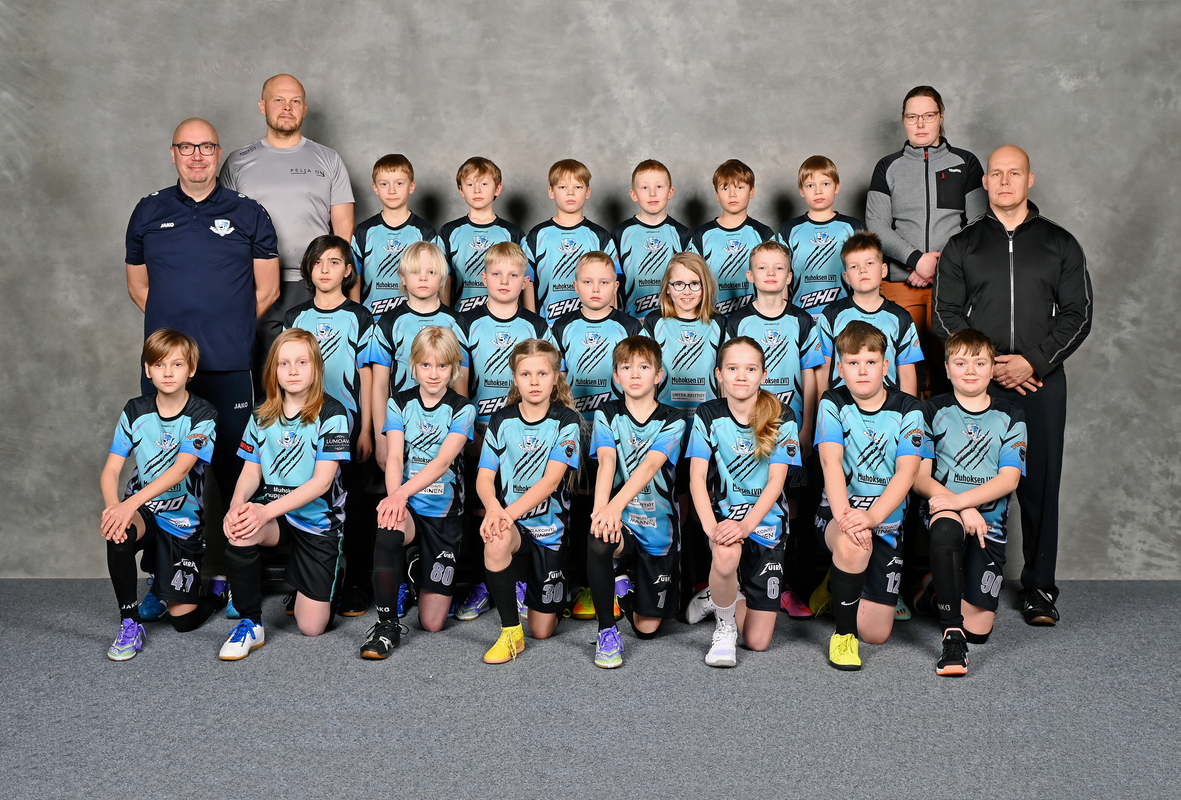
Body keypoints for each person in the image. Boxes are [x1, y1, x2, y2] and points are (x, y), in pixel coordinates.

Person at [933, 144, 1092, 626]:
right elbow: (944, 314)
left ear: (1029, 179)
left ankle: (1040, 588)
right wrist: (987, 365)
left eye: (1014, 173)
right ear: (985, 183)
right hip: (977, 386)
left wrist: (1033, 363)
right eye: (996, 174)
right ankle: (955, 582)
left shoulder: (1060, 243)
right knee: (963, 478)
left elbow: (1078, 314)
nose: (1004, 181)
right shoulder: (963, 245)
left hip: (1040, 384)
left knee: (1039, 485)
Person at [124, 117, 279, 530]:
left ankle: (240, 566)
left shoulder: (248, 213)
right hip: (166, 371)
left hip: (229, 366)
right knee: (162, 476)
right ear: (173, 154)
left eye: (206, 147)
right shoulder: (148, 210)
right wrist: (174, 341)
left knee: (236, 475)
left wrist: (226, 326)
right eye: (187, 147)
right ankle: (166, 568)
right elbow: (139, 288)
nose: (197, 156)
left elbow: (267, 291)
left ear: (218, 153)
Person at [218, 328, 351, 659]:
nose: (293, 371)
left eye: (302, 362)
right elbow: (251, 471)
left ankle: (332, 573)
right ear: (273, 369)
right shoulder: (262, 413)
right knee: (240, 529)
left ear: (316, 367)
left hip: (318, 520)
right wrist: (236, 507)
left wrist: (263, 511)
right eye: (284, 363)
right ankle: (251, 623)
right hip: (276, 515)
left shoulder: (332, 413)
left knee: (311, 627)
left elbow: (322, 483)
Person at [219, 74, 354, 385]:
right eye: (278, 100)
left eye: (295, 101)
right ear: (262, 106)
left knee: (312, 377)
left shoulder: (329, 159)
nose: (287, 107)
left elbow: (343, 231)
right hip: (255, 286)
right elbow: (224, 230)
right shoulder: (238, 162)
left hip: (312, 285)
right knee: (262, 378)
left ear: (304, 109)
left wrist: (334, 285)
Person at [100, 329, 225, 660]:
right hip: (144, 510)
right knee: (118, 533)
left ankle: (215, 592)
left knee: (182, 622)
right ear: (147, 369)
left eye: (177, 364)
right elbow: (111, 470)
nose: (168, 373)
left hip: (181, 521)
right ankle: (130, 623)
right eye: (159, 365)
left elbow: (180, 470)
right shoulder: (135, 410)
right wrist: (114, 510)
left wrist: (129, 504)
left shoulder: (203, 415)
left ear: (191, 369)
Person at [451, 243, 556, 622]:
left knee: (522, 502)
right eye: (496, 274)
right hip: (482, 432)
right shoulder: (467, 322)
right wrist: (466, 431)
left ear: (525, 280)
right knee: (483, 507)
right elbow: (461, 383)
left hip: (526, 434)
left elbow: (548, 380)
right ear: (484, 278)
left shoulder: (537, 325)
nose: (505, 281)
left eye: (513, 275)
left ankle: (519, 581)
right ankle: (487, 583)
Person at [914, 329, 1026, 675]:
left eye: (979, 363)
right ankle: (951, 638)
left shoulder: (1012, 414)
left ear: (992, 369)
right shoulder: (930, 410)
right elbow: (919, 479)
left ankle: (935, 589)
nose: (970, 370)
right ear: (947, 369)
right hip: (942, 512)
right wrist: (960, 507)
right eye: (960, 363)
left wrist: (964, 503)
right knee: (947, 528)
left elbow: (1009, 480)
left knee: (979, 631)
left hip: (989, 525)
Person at [814, 322, 924, 671]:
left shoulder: (909, 408)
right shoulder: (833, 401)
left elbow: (907, 473)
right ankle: (844, 636)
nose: (862, 371)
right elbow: (831, 463)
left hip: (885, 522)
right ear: (840, 368)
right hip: (839, 515)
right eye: (853, 363)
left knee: (876, 633)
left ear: (885, 365)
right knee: (852, 547)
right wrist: (848, 519)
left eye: (871, 362)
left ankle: (839, 583)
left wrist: (873, 517)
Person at [361, 327, 476, 658]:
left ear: (453, 368)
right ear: (413, 366)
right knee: (389, 524)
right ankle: (386, 626)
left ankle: (414, 569)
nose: (433, 374)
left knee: (433, 622)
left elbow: (442, 462)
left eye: (442, 366)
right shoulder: (399, 403)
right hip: (410, 507)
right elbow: (395, 457)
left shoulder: (463, 409)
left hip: (444, 515)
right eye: (426, 365)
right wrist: (395, 498)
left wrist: (399, 494)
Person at [685, 336, 799, 667]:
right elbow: (696, 478)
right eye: (732, 368)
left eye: (750, 369)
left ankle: (719, 593)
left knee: (758, 642)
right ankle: (724, 628)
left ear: (763, 374)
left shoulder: (782, 415)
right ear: (719, 374)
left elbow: (776, 482)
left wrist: (747, 526)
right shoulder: (708, 413)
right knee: (724, 553)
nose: (741, 376)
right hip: (724, 520)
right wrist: (713, 530)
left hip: (765, 525)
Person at [865, 85, 986, 397]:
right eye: (912, 117)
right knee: (903, 374)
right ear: (903, 120)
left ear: (941, 117)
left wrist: (938, 265)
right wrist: (916, 259)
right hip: (901, 285)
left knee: (952, 370)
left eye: (928, 116)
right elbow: (876, 225)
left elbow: (978, 223)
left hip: (953, 286)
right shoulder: (887, 166)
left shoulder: (966, 162)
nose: (920, 124)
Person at [283, 235, 376, 616]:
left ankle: (356, 582)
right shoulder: (295, 317)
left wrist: (366, 430)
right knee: (305, 505)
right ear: (308, 269)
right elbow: (284, 372)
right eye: (318, 262)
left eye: (334, 262)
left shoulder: (360, 316)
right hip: (306, 430)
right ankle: (307, 582)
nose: (325, 269)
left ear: (348, 270)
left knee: (353, 508)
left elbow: (367, 376)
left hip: (348, 427)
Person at [476, 339, 582, 663]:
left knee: (542, 630)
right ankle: (510, 631)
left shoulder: (566, 420)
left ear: (556, 377)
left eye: (542, 373)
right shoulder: (501, 419)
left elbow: (550, 482)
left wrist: (504, 514)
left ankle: (547, 589)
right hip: (515, 528)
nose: (534, 382)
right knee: (495, 540)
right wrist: (494, 511)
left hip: (550, 533)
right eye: (526, 374)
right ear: (515, 378)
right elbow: (484, 478)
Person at [551, 252, 644, 620]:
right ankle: (580, 583)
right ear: (575, 286)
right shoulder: (561, 326)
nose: (595, 289)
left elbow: (640, 378)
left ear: (616, 287)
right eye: (587, 282)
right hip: (574, 430)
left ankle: (613, 580)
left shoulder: (630, 325)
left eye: (604, 282)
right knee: (575, 505)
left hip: (616, 431)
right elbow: (555, 381)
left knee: (612, 504)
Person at [587, 337, 687, 668]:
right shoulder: (607, 413)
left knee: (646, 629)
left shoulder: (674, 418)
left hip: (659, 532)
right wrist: (602, 512)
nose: (634, 374)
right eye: (626, 367)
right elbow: (606, 462)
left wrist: (612, 507)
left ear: (658, 375)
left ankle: (624, 585)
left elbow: (650, 466)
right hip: (623, 524)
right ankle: (606, 631)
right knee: (599, 538)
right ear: (616, 376)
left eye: (644, 367)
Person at [641, 253, 726, 602]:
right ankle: (674, 581)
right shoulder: (653, 322)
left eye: (694, 283)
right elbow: (642, 372)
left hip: (707, 429)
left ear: (705, 287)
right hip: (666, 430)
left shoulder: (720, 324)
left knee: (707, 504)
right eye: (678, 283)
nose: (686, 291)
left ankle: (707, 585)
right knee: (675, 505)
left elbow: (726, 378)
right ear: (667, 288)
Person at [368, 242, 470, 473]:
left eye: (431, 272)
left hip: (445, 426)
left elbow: (461, 381)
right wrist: (381, 438)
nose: (423, 278)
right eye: (415, 271)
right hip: (400, 426)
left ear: (442, 279)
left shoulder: (456, 322)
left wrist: (462, 429)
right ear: (403, 277)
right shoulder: (388, 322)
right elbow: (380, 385)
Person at [816, 232, 922, 398]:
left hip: (889, 408)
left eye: (870, 263)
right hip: (842, 407)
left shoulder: (901, 317)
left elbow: (907, 375)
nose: (862, 270)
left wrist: (909, 411)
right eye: (854, 266)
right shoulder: (831, 315)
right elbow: (822, 373)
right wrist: (822, 409)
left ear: (884, 270)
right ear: (846, 277)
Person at [526, 159, 620, 323]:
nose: (571, 193)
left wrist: (611, 322)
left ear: (588, 192)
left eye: (578, 187)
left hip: (590, 324)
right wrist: (532, 322)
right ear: (551, 191)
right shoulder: (538, 235)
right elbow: (527, 281)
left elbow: (611, 283)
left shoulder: (600, 236)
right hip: (548, 325)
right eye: (563, 187)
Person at [352, 154, 444, 318]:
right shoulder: (363, 231)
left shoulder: (424, 231)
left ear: (411, 186)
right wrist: (357, 315)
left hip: (412, 318)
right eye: (384, 184)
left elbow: (435, 277)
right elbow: (355, 277)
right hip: (372, 318)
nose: (392, 190)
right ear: (375, 188)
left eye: (399, 183)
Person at [441, 157, 534, 314]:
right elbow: (444, 278)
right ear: (461, 190)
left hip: (503, 317)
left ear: (497, 189)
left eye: (484, 184)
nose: (477, 190)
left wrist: (523, 317)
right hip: (461, 317)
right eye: (470, 184)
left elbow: (523, 279)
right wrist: (445, 317)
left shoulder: (513, 233)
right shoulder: (449, 231)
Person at [777, 155, 863, 319]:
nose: (818, 191)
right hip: (801, 317)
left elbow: (864, 273)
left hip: (844, 318)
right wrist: (784, 317)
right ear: (801, 190)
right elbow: (781, 277)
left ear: (837, 187)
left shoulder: (852, 227)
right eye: (810, 185)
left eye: (825, 184)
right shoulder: (789, 229)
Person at [689, 159, 774, 314]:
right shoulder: (702, 235)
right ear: (717, 194)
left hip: (754, 318)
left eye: (740, 187)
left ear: (752, 191)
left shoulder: (763, 233)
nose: (732, 194)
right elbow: (691, 279)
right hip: (713, 318)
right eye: (725, 188)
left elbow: (776, 281)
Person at [611, 160, 693, 316]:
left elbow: (691, 281)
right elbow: (610, 282)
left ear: (670, 192)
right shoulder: (620, 233)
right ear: (633, 194)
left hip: (671, 321)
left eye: (659, 186)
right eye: (645, 187)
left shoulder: (682, 234)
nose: (652, 194)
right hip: (631, 321)